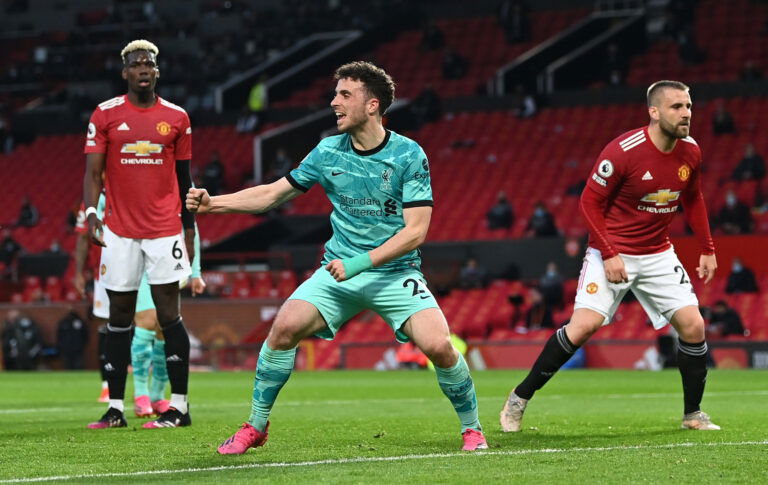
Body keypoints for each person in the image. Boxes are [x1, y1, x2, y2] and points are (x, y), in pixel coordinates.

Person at [187, 61, 487, 453]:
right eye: (335, 94)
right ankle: (256, 426)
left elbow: (415, 232)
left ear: (373, 105)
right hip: (338, 270)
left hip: (394, 273)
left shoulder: (408, 155)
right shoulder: (327, 151)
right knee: (283, 329)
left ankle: (472, 429)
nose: (334, 103)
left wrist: (359, 264)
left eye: (345, 95)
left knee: (439, 347)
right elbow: (274, 193)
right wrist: (213, 204)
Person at [500, 80, 721, 433]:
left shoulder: (691, 151)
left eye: (689, 106)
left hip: (658, 252)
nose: (686, 114)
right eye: (676, 107)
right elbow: (589, 202)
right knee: (582, 327)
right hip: (612, 250)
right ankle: (519, 398)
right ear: (654, 112)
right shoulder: (624, 150)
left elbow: (693, 198)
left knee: (694, 326)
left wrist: (708, 248)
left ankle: (692, 414)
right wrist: (610, 253)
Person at [82, 39, 197, 429]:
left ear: (157, 71)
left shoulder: (178, 117)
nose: (143, 68)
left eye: (149, 63)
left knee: (169, 316)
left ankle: (179, 407)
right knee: (119, 318)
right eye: (136, 63)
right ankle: (116, 408)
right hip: (119, 231)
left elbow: (185, 180)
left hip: (164, 230)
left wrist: (190, 227)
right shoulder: (105, 114)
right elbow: (92, 174)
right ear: (125, 72)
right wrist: (92, 213)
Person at [74, 191, 206, 413]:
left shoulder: (176, 181)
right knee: (146, 320)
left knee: (164, 327)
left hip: (166, 252)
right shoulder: (113, 187)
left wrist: (195, 271)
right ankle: (140, 394)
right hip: (134, 256)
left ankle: (157, 394)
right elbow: (86, 227)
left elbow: (190, 224)